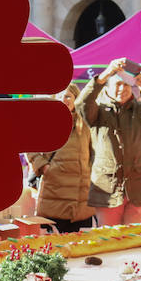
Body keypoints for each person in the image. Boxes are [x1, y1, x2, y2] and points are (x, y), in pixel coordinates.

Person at [78, 57, 141, 225]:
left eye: (126, 85)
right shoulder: (96, 111)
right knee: (109, 240)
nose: (122, 89)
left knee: (139, 240)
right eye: (117, 84)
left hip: (138, 189)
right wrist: (105, 75)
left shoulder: (140, 109)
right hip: (107, 190)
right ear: (107, 87)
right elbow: (81, 103)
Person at [26, 82, 94, 232]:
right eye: (60, 96)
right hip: (54, 193)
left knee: (79, 247)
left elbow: (94, 152)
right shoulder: (46, 121)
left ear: (77, 98)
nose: (65, 99)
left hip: (81, 200)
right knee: (54, 248)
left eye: (68, 96)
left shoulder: (85, 123)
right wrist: (44, 166)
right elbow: (29, 145)